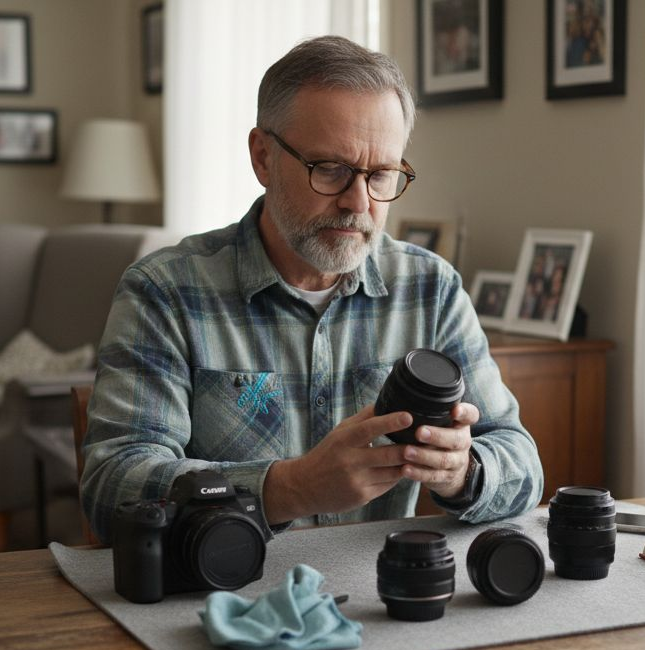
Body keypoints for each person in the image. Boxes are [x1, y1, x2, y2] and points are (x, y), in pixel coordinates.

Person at [81, 35, 543, 543]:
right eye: (330, 169)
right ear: (262, 158)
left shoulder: (430, 289)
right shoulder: (164, 292)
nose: (357, 202)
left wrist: (461, 473)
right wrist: (289, 489)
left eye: (382, 174)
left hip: (387, 599)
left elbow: (520, 459)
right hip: (223, 599)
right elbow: (112, 486)